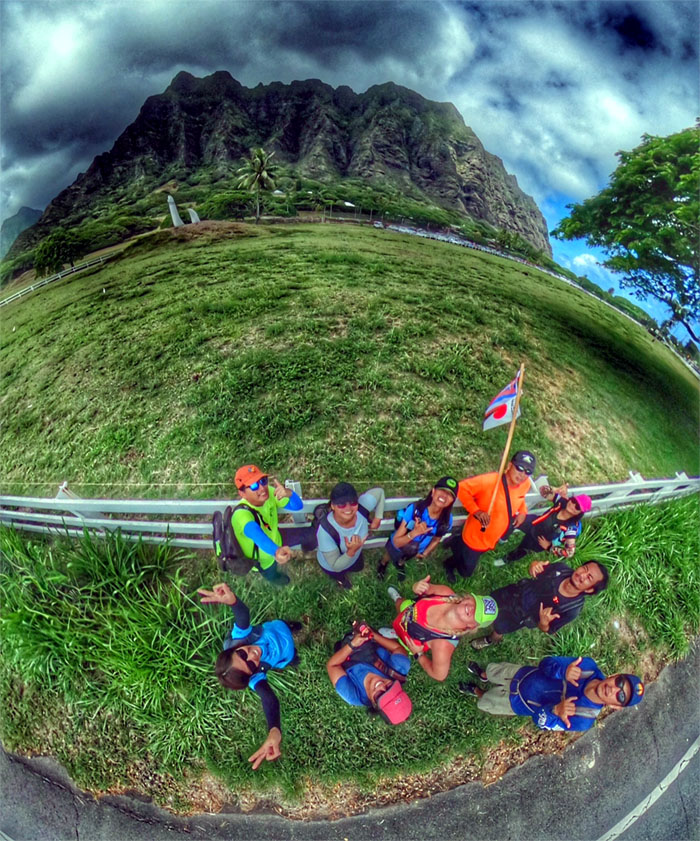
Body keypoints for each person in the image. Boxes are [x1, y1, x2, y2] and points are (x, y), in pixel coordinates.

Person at [197, 582, 302, 769]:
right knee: (293, 658)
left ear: (235, 649)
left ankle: (291, 626)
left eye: (242, 654)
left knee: (287, 625)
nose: (252, 655)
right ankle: (293, 658)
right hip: (284, 655)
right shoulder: (256, 678)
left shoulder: (240, 639)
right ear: (252, 674)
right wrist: (274, 729)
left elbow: (243, 617)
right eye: (251, 665)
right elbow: (269, 698)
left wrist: (233, 602)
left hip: (277, 628)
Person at [459, 655, 644, 731]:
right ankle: (483, 675)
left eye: (620, 696)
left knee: (487, 700)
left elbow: (539, 722)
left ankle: (477, 691)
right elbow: (544, 662)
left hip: (516, 703)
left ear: (616, 706)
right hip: (521, 674)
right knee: (494, 671)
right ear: (615, 675)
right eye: (619, 682)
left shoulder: (583, 720)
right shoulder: (587, 667)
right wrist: (561, 672)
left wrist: (555, 710)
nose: (613, 689)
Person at [470, 559, 609, 650]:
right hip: (514, 592)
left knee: (500, 626)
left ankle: (492, 639)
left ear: (590, 589)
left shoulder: (571, 609)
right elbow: (538, 569)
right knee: (490, 601)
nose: (582, 575)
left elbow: (549, 630)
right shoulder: (561, 569)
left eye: (589, 577)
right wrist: (533, 565)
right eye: (585, 568)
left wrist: (543, 623)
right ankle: (474, 614)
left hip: (521, 615)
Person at [443, 450, 536, 581]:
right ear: (509, 465)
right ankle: (448, 564)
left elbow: (520, 499)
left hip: (491, 539)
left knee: (464, 551)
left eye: (527, 472)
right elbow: (462, 488)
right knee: (466, 571)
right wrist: (476, 511)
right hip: (475, 537)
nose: (522, 474)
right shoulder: (490, 481)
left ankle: (454, 541)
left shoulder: (524, 484)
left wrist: (523, 511)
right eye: (519, 468)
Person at [387, 575, 498, 681]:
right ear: (469, 598)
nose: (471, 608)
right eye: (475, 603)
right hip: (408, 609)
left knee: (397, 641)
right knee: (400, 603)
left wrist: (419, 655)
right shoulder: (446, 594)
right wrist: (417, 587)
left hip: (407, 639)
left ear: (472, 626)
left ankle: (394, 633)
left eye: (477, 614)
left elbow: (439, 675)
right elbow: (426, 589)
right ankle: (397, 598)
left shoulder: (443, 644)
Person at [232, 464, 316, 587]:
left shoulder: (270, 492)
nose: (262, 488)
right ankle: (275, 578)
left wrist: (289, 494)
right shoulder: (241, 515)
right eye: (254, 486)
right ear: (242, 493)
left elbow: (297, 506)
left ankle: (307, 548)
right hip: (263, 558)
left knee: (311, 534)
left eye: (263, 481)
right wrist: (276, 551)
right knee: (270, 572)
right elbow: (258, 536)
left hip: (277, 537)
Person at [326, 622, 413, 724]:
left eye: (380, 694)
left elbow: (332, 666)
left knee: (337, 646)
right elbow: (397, 649)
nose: (381, 685)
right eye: (390, 686)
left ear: (374, 705)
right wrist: (373, 635)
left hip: (346, 653)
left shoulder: (353, 695)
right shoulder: (398, 669)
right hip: (371, 640)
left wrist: (352, 645)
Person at [377, 476, 457, 581]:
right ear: (433, 491)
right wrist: (415, 533)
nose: (445, 496)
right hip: (401, 543)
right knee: (390, 554)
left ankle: (400, 564)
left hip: (416, 549)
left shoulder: (446, 520)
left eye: (450, 495)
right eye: (442, 490)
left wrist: (425, 553)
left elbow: (437, 539)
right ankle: (383, 564)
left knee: (405, 558)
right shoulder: (415, 509)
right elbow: (396, 542)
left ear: (452, 501)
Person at [494, 483, 592, 566]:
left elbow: (569, 553)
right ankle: (503, 539)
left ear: (580, 513)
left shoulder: (571, 527)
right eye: (574, 501)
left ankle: (505, 560)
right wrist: (555, 489)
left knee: (521, 550)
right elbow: (543, 491)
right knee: (514, 520)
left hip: (538, 540)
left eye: (578, 507)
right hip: (534, 522)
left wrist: (549, 547)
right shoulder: (562, 502)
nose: (573, 505)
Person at [315, 482, 385, 589]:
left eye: (353, 503)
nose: (348, 509)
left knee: (358, 567)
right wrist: (351, 551)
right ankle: (342, 581)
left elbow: (379, 492)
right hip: (332, 566)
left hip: (355, 555)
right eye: (341, 504)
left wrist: (378, 517)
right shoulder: (325, 532)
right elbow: (336, 566)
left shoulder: (361, 509)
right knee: (339, 574)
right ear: (332, 506)